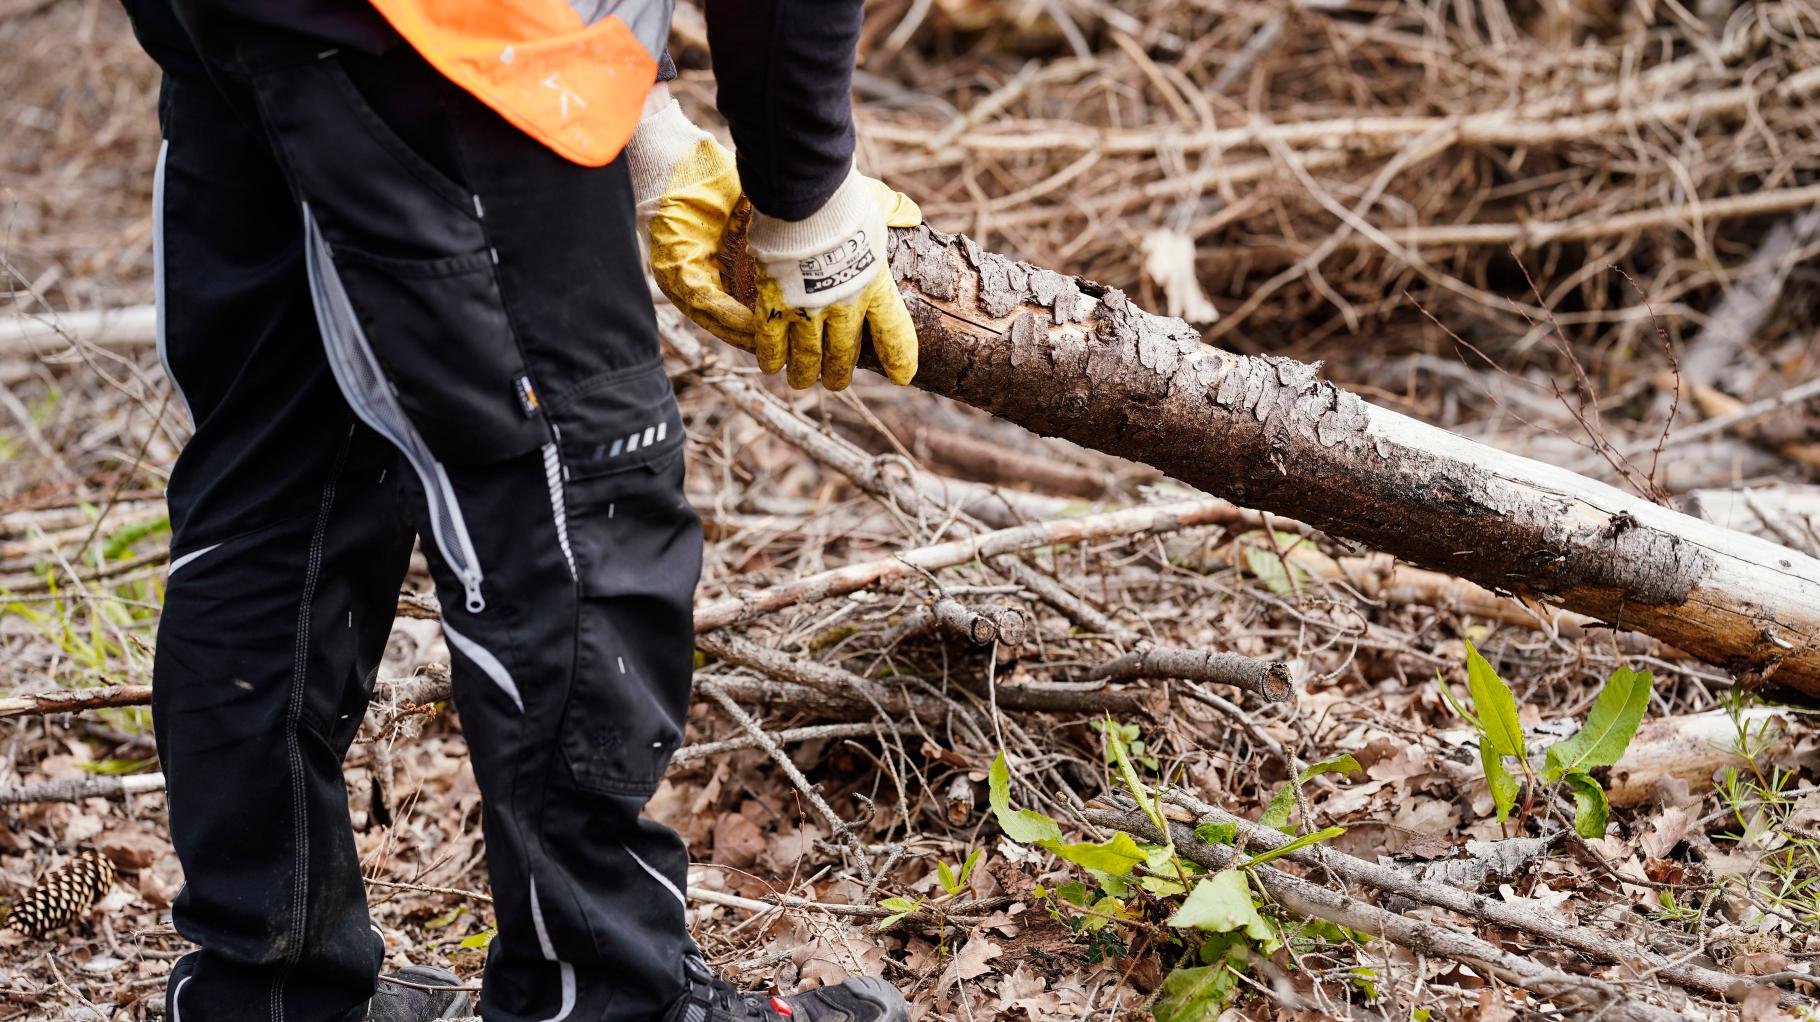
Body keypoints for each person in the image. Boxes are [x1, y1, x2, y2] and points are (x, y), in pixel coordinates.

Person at [121, 0, 920, 1019]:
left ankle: (264, 991)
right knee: (579, 492)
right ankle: (607, 1000)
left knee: (279, 477)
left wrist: (650, 118)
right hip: (441, 33)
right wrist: (802, 187)